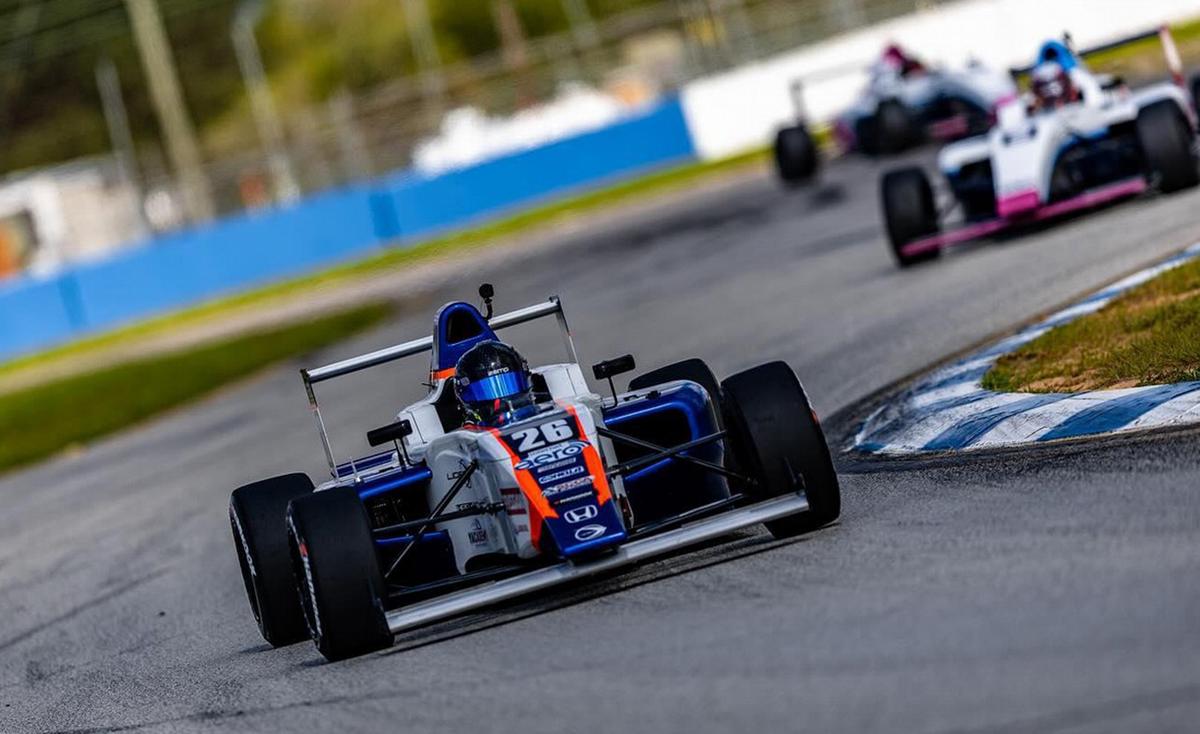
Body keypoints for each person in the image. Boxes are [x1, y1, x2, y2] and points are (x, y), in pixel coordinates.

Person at [454, 340, 540, 426]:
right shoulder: (470, 435)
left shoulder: (548, 409)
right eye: (488, 389)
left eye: (510, 385)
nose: (506, 401)